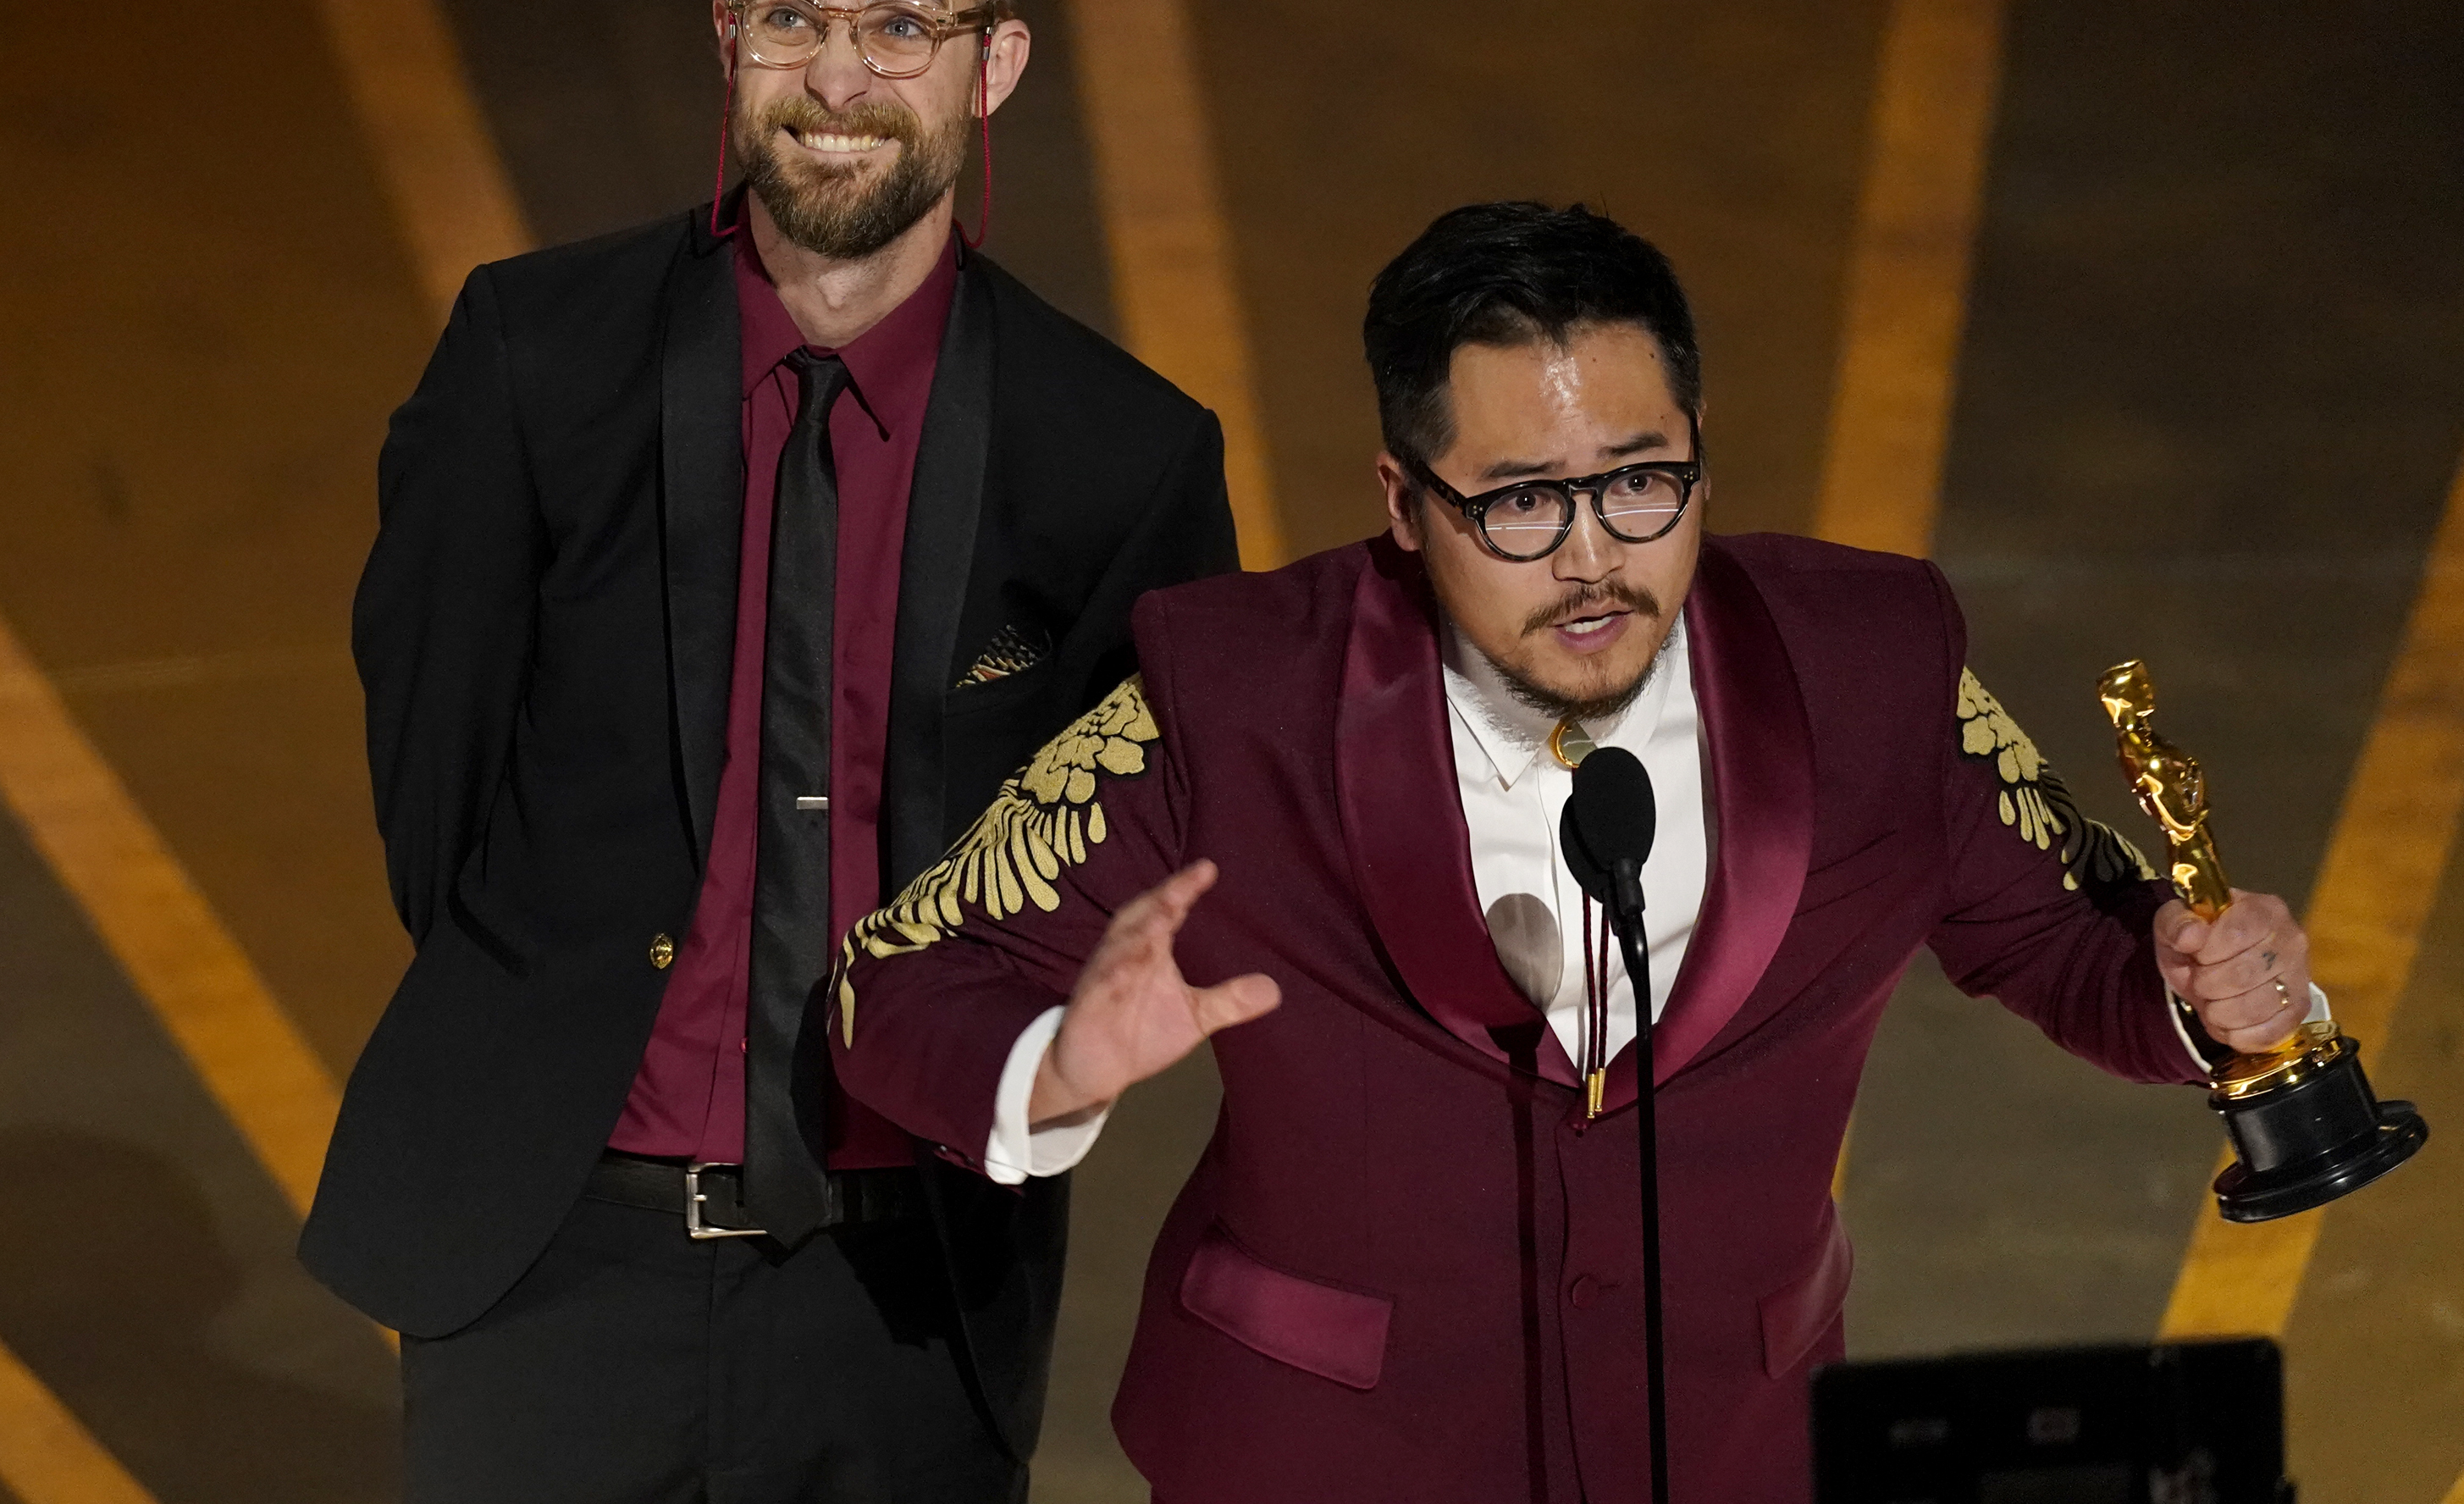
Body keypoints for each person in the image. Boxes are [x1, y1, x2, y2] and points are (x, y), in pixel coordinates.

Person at [833, 202, 2318, 1503]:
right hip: (1319, 1465)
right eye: (1523, 502)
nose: (1596, 557)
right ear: (1405, 505)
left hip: (1737, 1452)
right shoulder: (1231, 698)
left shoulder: (1870, 670)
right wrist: (1057, 1069)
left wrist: (2211, 994)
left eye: (1640, 480)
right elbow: (893, 981)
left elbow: (2069, 940)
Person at [301, 0, 1239, 1501]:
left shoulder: (1124, 460)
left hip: (911, 1299)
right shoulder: (532, 367)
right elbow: (431, 794)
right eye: (793, 13)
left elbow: (1118, 869)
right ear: (730, 36)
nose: (838, 74)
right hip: (548, 1270)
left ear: (994, 60)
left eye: (902, 23)